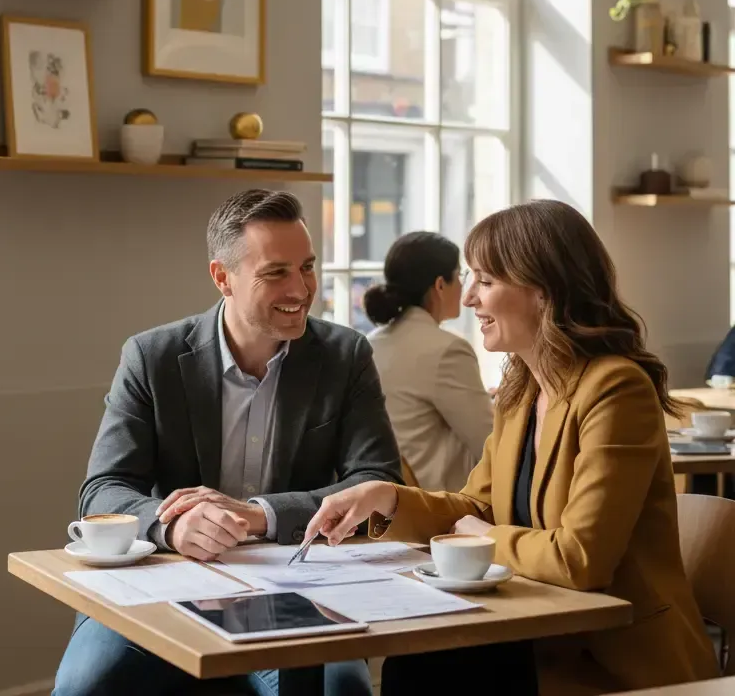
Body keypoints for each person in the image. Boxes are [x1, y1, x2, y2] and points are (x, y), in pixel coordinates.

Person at [304, 199, 719, 696]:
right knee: (416, 665)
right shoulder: (523, 390)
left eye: (486, 281)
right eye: (469, 279)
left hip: (609, 656)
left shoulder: (616, 389)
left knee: (427, 675)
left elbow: (580, 558)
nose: (468, 299)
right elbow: (475, 506)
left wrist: (484, 534)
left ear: (543, 291)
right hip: (534, 630)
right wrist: (385, 500)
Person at [54, 189, 402, 696]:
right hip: (164, 580)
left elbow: (377, 482)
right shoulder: (152, 357)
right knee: (87, 688)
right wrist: (172, 527)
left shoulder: (344, 355)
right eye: (275, 272)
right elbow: (103, 490)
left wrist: (260, 514)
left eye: (306, 267)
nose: (301, 288)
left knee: (340, 691)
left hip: (297, 588)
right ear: (223, 278)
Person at [363, 231, 492, 492]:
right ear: (440, 285)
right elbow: (491, 444)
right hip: (441, 504)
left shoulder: (371, 342)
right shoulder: (447, 350)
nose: (465, 290)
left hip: (387, 499)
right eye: (461, 276)